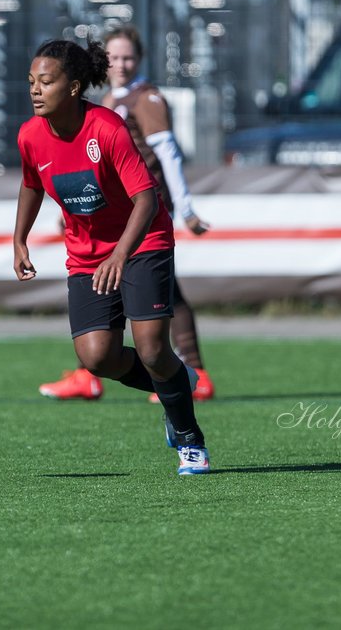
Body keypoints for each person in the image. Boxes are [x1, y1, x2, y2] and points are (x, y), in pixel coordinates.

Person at [14, 38, 210, 475]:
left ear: (73, 87)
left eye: (45, 81)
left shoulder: (106, 128)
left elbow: (146, 198)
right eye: (31, 81)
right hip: (87, 256)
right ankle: (177, 381)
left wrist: (122, 254)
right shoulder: (30, 135)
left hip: (142, 243)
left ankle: (189, 438)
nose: (35, 90)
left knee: (153, 348)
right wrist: (19, 239)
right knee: (96, 356)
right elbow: (30, 184)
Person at [38, 25, 214, 403]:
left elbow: (168, 154)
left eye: (128, 57)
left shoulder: (145, 98)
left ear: (140, 60)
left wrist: (185, 208)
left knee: (160, 300)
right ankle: (104, 371)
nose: (120, 64)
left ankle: (188, 372)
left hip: (143, 212)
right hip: (109, 215)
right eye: (114, 57)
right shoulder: (109, 99)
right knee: (156, 297)